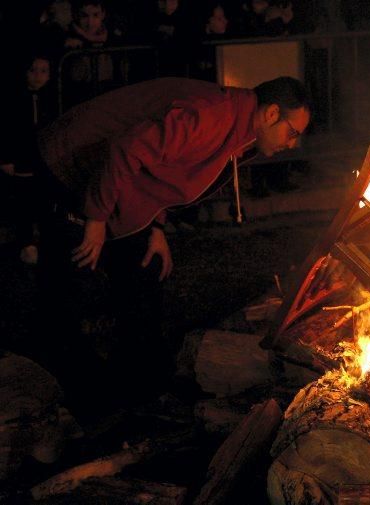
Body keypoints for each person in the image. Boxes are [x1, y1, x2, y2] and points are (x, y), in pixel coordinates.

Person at [35, 76, 310, 413]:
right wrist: (95, 218)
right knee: (68, 285)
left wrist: (155, 225)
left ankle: (139, 387)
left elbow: (168, 168)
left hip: (109, 180)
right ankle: (77, 396)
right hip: (71, 164)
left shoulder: (238, 129)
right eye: (292, 132)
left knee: (143, 273)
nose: (293, 144)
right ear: (271, 114)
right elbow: (127, 149)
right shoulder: (212, 117)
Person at [0, 54, 57, 265]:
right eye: (33, 70)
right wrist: (5, 157)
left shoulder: (52, 98)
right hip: (22, 157)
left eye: (43, 71)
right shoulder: (13, 98)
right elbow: (6, 129)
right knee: (23, 201)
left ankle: (44, 241)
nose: (38, 76)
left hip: (42, 159)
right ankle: (27, 243)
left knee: (43, 200)